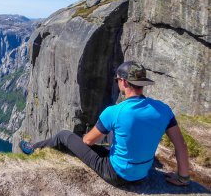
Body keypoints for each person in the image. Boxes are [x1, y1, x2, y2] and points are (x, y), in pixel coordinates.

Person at [19, 61, 190, 187]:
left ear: (123, 81)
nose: (117, 82)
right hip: (143, 173)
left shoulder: (114, 112)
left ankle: (33, 148)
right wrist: (182, 178)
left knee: (64, 136)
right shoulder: (163, 110)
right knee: (108, 148)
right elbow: (180, 145)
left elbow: (88, 142)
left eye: (117, 79)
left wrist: (84, 138)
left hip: (116, 174)